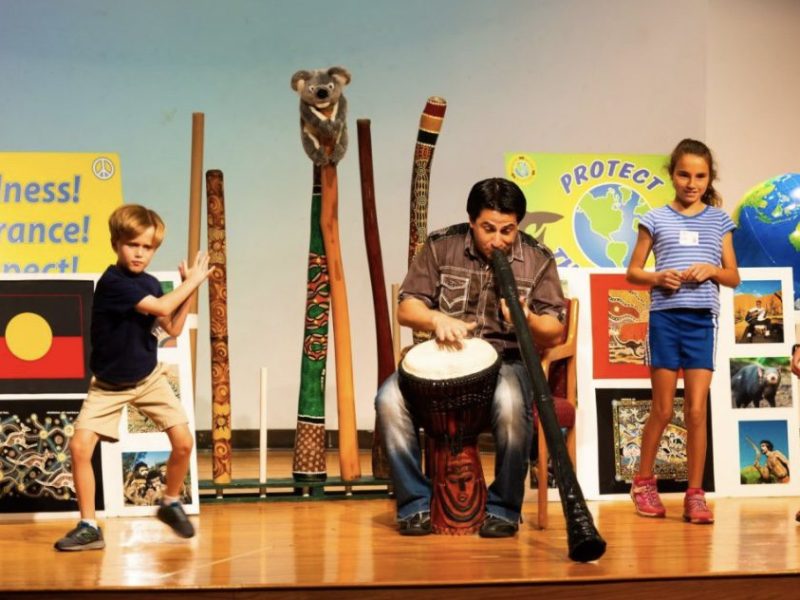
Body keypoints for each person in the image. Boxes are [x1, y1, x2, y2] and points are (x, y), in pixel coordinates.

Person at [375, 178, 565, 537]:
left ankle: (505, 508)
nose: (498, 240)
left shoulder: (538, 259)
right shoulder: (441, 245)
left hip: (506, 360)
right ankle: (415, 503)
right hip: (445, 359)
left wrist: (527, 319)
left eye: (508, 231)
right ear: (472, 220)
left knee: (511, 405)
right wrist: (436, 319)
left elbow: (554, 329)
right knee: (388, 399)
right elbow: (407, 306)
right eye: (488, 229)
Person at [55, 205, 214, 551]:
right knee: (80, 447)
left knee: (184, 443)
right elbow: (158, 309)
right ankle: (88, 525)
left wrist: (190, 290)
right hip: (108, 385)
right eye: (133, 245)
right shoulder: (113, 283)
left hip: (148, 378)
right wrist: (192, 282)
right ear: (116, 243)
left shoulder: (150, 283)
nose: (140, 253)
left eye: (148, 247)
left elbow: (171, 325)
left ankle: (170, 502)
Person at [626, 139, 740, 525]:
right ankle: (643, 483)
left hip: (701, 321)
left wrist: (712, 271)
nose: (692, 183)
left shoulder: (720, 220)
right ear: (672, 174)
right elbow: (633, 271)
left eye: (700, 176)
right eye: (684, 174)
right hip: (665, 319)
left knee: (695, 410)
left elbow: (733, 275)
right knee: (661, 408)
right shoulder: (654, 218)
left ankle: (695, 495)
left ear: (710, 178)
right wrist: (659, 276)